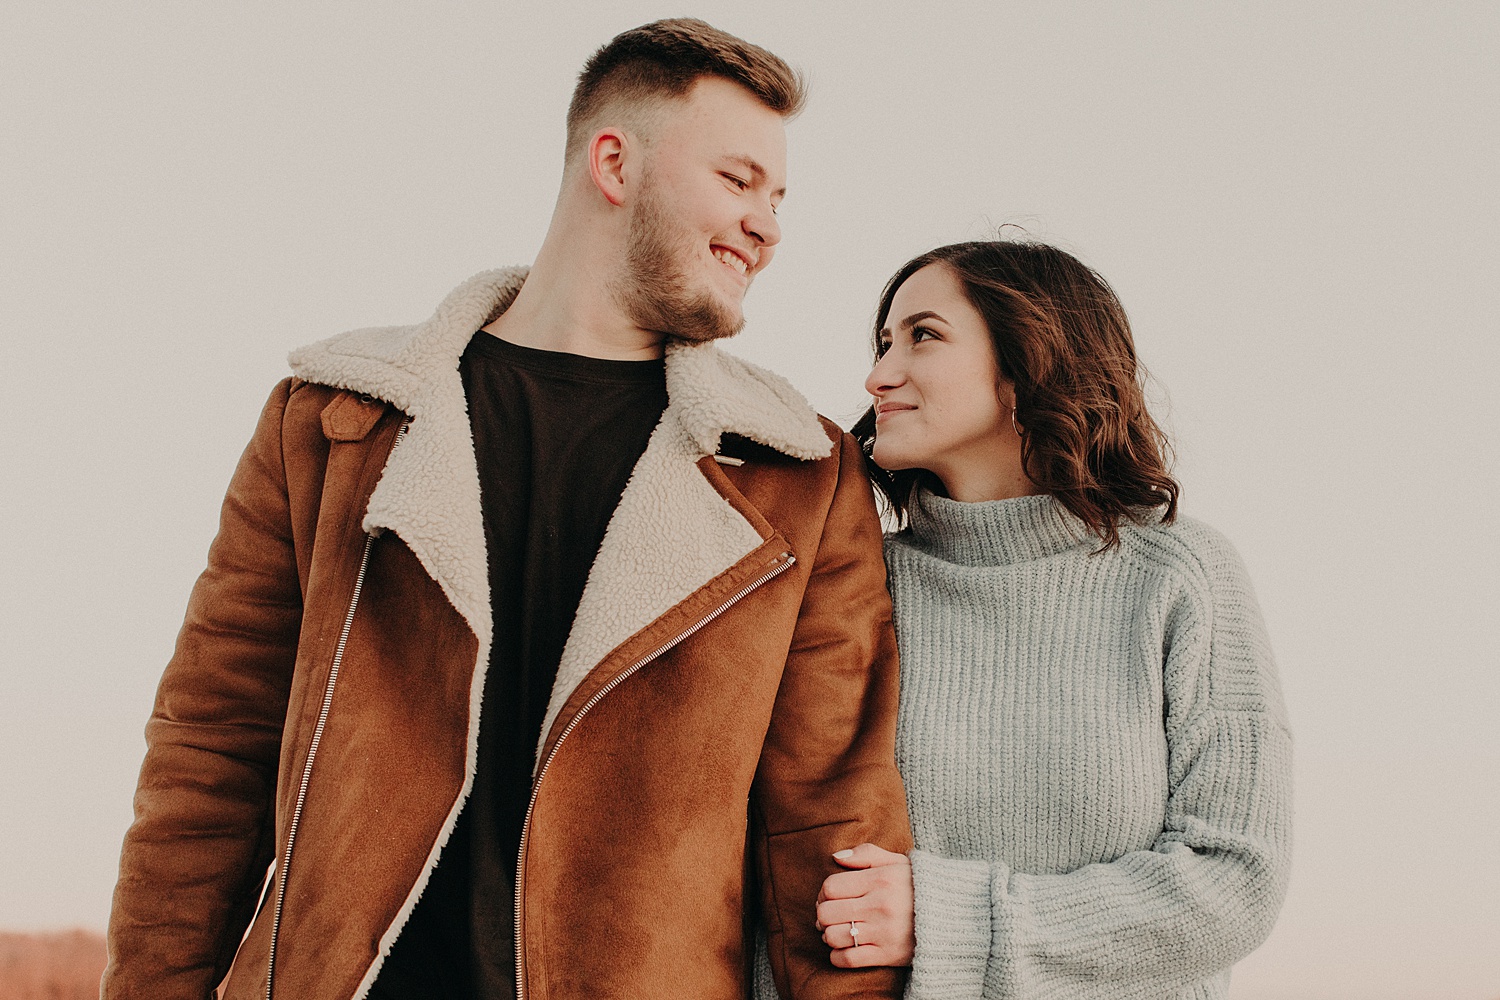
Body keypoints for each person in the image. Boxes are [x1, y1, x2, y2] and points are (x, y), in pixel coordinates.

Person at [103, 19, 911, 1000]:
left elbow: (831, 829)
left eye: (779, 198)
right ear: (613, 163)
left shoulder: (799, 475)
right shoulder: (334, 422)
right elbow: (211, 757)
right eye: (740, 181)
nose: (770, 226)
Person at [798, 240, 1293, 998]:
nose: (877, 376)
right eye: (882, 343)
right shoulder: (851, 588)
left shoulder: (1178, 576)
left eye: (922, 335)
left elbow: (1235, 879)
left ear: (1031, 358)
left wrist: (953, 922)